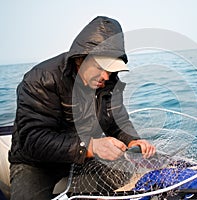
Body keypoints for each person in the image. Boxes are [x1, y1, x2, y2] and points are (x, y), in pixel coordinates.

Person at [8, 16, 156, 200]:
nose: (106, 76)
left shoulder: (109, 83)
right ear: (80, 59)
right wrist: (91, 146)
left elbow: (118, 121)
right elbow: (33, 140)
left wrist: (133, 141)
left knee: (124, 174)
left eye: (111, 70)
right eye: (100, 67)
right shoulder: (39, 79)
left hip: (83, 157)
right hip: (37, 163)